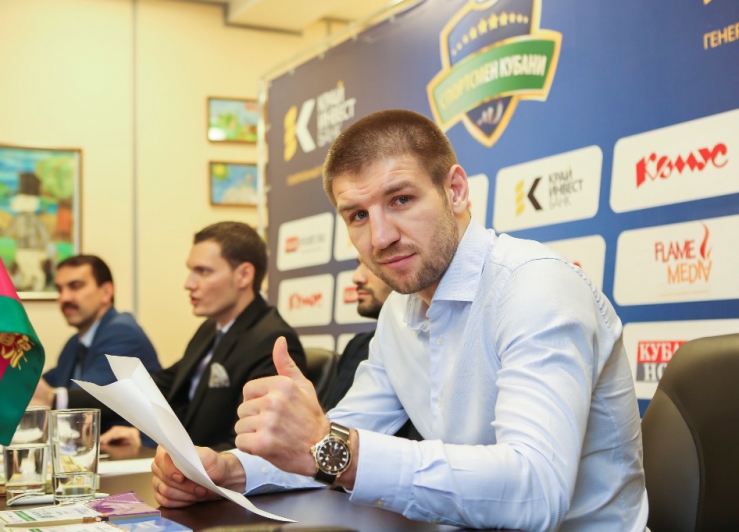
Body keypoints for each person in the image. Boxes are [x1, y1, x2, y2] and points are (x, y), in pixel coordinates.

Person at [150, 110, 648, 531]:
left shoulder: (535, 286)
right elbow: (337, 437)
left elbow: (536, 489)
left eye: (401, 200)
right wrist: (227, 472)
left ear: (455, 191)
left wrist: (334, 449)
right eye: (357, 215)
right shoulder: (399, 311)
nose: (380, 237)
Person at [95, 221, 307, 452]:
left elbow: (253, 444)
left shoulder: (271, 340)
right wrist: (143, 436)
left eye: (203, 271)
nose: (189, 284)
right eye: (191, 271)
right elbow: (162, 389)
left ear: (244, 275)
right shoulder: (209, 329)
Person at [31, 254, 160, 430]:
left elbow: (91, 397)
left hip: (128, 444)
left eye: (75, 287)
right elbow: (47, 385)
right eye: (60, 289)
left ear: (106, 292)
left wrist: (50, 397)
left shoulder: (123, 333)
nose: (64, 298)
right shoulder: (74, 343)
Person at [320, 257, 392, 410]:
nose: (356, 277)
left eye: (371, 263)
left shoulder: (426, 350)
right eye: (359, 264)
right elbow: (335, 419)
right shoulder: (357, 346)